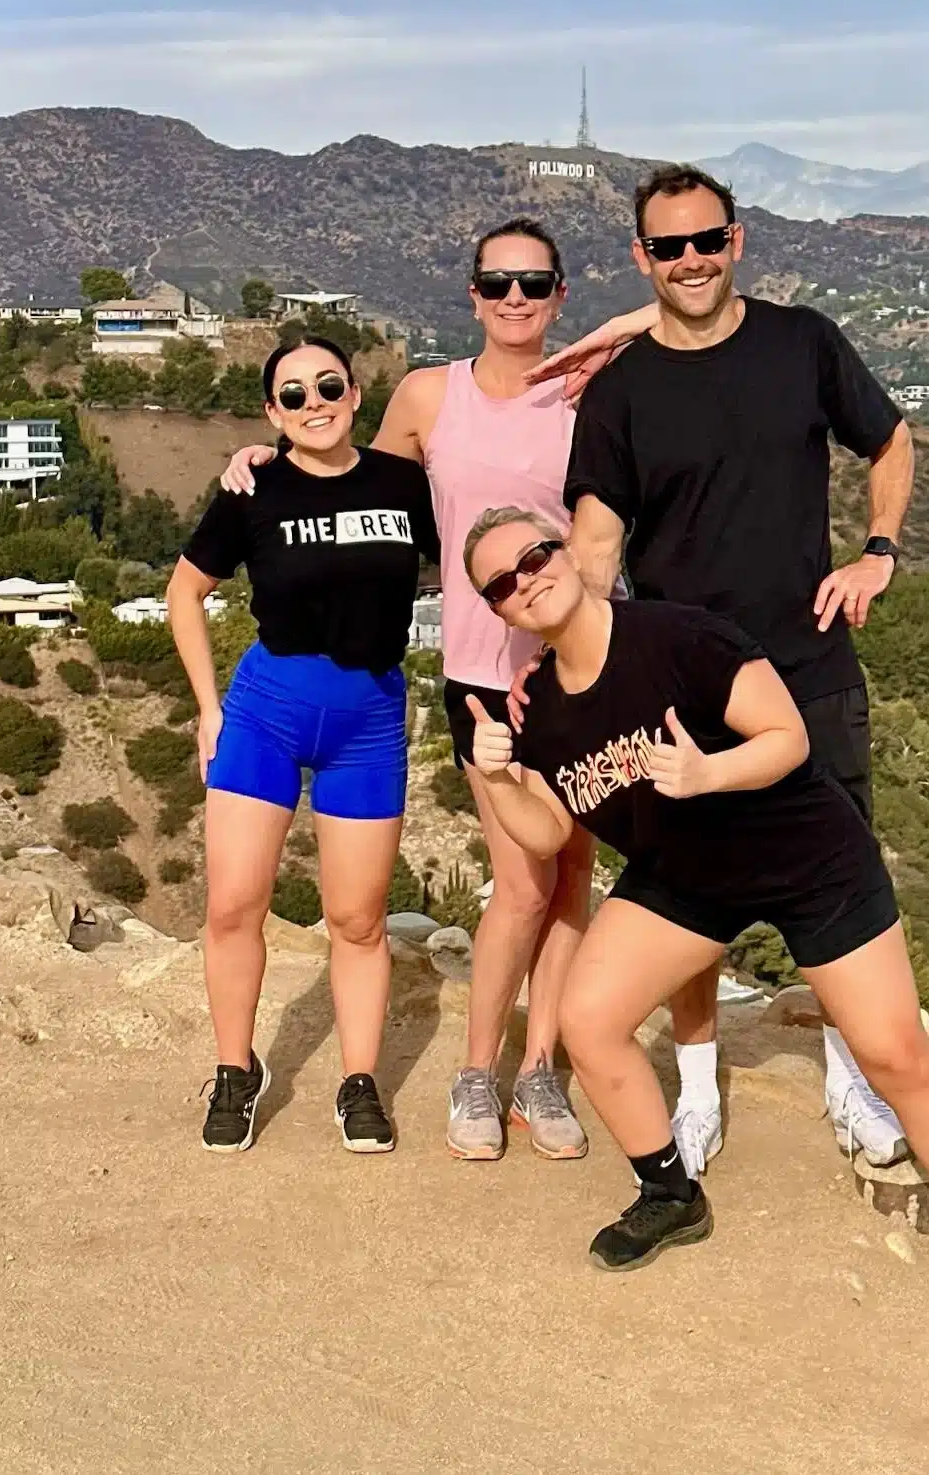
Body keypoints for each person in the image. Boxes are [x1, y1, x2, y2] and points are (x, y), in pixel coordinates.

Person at [464, 509, 929, 1330]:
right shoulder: (541, 708)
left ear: (564, 550)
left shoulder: (680, 637)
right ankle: (669, 1192)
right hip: (688, 878)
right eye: (501, 582)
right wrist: (502, 780)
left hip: (806, 857)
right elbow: (552, 830)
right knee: (589, 1019)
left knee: (895, 1050)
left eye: (535, 555)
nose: (526, 579)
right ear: (498, 608)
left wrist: (703, 773)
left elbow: (788, 737)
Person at [515, 164, 916, 1180]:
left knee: (834, 875)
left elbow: (892, 437)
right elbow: (595, 540)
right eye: (668, 246)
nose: (690, 260)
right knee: (684, 880)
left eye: (707, 241)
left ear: (735, 241)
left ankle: (852, 1079)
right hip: (681, 686)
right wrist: (571, 667)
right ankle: (695, 1090)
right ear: (641, 257)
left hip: (808, 664)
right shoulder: (622, 390)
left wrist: (879, 549)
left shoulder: (804, 342)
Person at [218, 222, 634, 1162]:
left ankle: (540, 1067)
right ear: (475, 294)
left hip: (584, 662)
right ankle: (477, 1072)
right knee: (522, 882)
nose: (516, 298)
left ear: (563, 293)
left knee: (573, 872)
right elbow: (338, 472)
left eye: (536, 282)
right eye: (499, 282)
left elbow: (695, 320)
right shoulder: (425, 396)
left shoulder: (590, 388)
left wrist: (620, 328)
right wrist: (255, 461)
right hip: (485, 670)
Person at [167, 336, 439, 1156]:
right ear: (271, 413)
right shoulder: (254, 488)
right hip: (266, 712)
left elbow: (469, 561)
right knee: (233, 905)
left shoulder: (402, 483)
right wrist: (208, 709)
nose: (314, 401)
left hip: (368, 717)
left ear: (356, 393)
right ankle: (233, 1069)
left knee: (357, 919)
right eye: (293, 395)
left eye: (328, 385)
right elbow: (185, 592)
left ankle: (358, 1080)